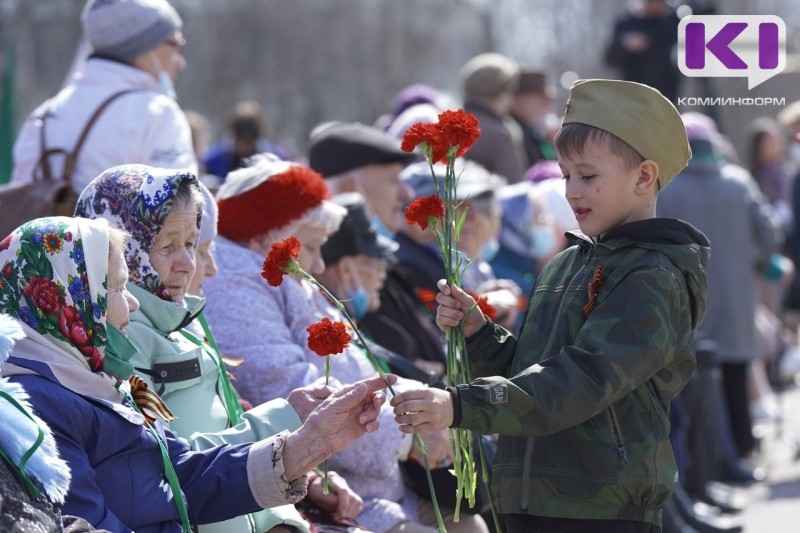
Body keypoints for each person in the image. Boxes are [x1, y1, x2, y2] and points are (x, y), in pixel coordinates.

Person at [390, 79, 711, 532]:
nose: (570, 191)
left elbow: (580, 381)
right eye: (564, 174)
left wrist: (459, 405)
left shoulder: (653, 277)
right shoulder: (566, 264)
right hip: (529, 499)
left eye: (588, 175)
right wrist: (480, 333)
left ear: (643, 176)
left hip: (600, 509)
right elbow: (530, 372)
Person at [0, 216, 390, 531]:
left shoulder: (107, 375)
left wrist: (308, 443)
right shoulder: (43, 402)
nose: (201, 266)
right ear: (69, 298)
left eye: (196, 247)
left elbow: (178, 466)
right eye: (117, 287)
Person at [74, 164, 363, 533]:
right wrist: (287, 422)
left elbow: (229, 435)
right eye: (167, 245)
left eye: (192, 243)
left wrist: (283, 521)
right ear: (121, 250)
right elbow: (165, 460)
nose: (189, 263)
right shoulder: (120, 342)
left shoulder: (184, 328)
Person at [203, 155, 482, 533]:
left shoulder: (280, 279)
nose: (319, 265)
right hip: (332, 494)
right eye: (313, 247)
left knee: (472, 523)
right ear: (265, 238)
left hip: (367, 480)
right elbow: (285, 385)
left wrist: (421, 409)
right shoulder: (237, 289)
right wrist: (405, 435)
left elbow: (359, 366)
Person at [11, 0, 196, 195]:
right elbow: (184, 211)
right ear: (144, 47)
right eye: (175, 45)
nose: (180, 62)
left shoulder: (44, 115)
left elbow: (16, 205)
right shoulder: (157, 114)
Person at [308, 122, 447, 372]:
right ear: (350, 188)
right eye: (394, 180)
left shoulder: (384, 261)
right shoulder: (339, 269)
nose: (407, 193)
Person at [457, 52, 526, 183]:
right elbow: (514, 187)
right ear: (494, 93)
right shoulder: (499, 135)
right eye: (508, 90)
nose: (511, 99)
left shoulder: (450, 126)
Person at [605, 0, 681, 104]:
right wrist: (625, 45)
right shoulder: (627, 23)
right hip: (633, 94)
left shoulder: (674, 23)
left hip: (667, 95)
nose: (655, 5)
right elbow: (610, 59)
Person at [203, 100, 288, 182]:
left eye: (247, 141)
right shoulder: (213, 161)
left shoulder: (273, 161)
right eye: (239, 139)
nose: (242, 147)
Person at [510, 68, 557, 170]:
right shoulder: (514, 133)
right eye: (540, 99)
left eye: (549, 100)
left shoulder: (535, 131)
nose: (547, 105)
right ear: (518, 101)